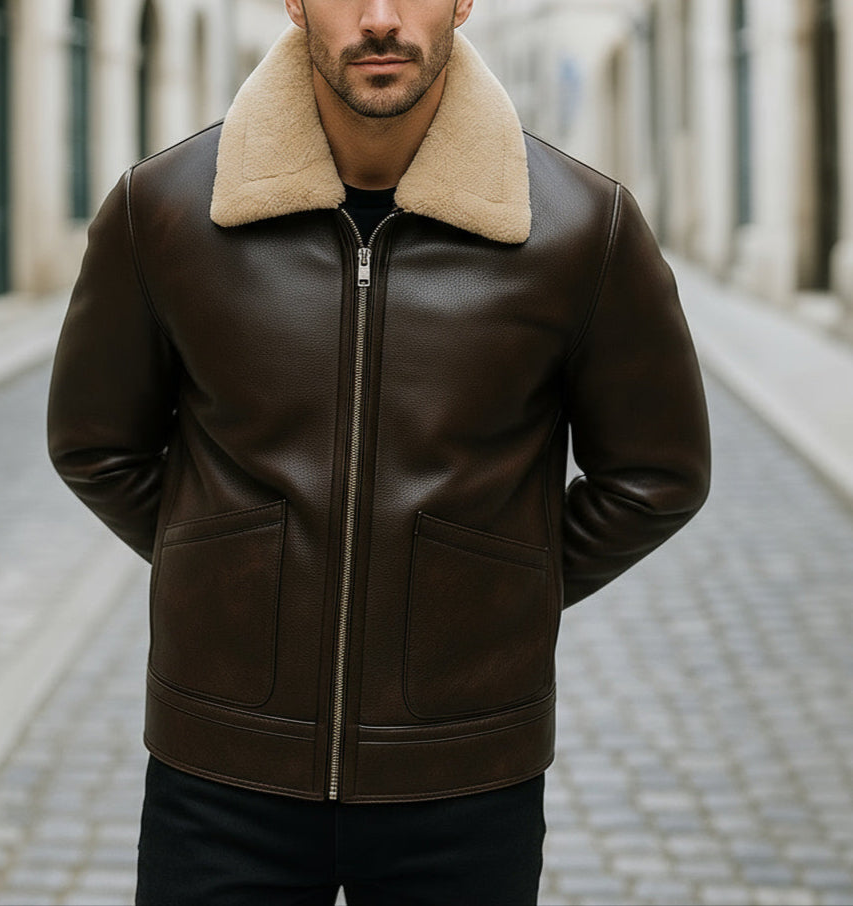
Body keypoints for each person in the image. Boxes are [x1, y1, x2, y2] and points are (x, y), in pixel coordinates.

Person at [47, 1, 711, 903]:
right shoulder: (162, 210)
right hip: (220, 767)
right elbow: (95, 444)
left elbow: (657, 473)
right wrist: (233, 568)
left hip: (465, 776)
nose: (380, 18)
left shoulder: (582, 227)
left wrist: (488, 590)